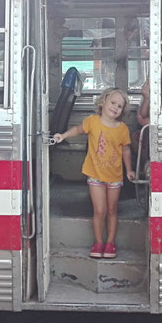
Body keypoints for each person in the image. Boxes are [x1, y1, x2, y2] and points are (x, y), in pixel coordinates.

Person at [53, 88, 135, 259]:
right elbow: (77, 129)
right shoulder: (92, 121)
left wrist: (129, 170)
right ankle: (98, 243)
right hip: (95, 175)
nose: (115, 107)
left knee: (112, 210)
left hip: (114, 177)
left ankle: (110, 243)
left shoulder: (122, 129)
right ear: (103, 101)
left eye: (119, 106)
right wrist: (63, 136)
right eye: (113, 102)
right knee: (99, 210)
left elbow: (126, 151)